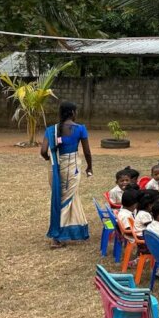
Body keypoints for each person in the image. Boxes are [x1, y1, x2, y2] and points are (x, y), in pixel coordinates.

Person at [39, 100, 91, 248]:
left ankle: (63, 231)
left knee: (59, 197)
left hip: (54, 167)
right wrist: (90, 167)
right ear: (73, 113)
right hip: (71, 166)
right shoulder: (80, 129)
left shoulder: (51, 130)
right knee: (66, 199)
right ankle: (57, 236)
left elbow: (43, 151)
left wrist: (49, 159)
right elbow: (87, 151)